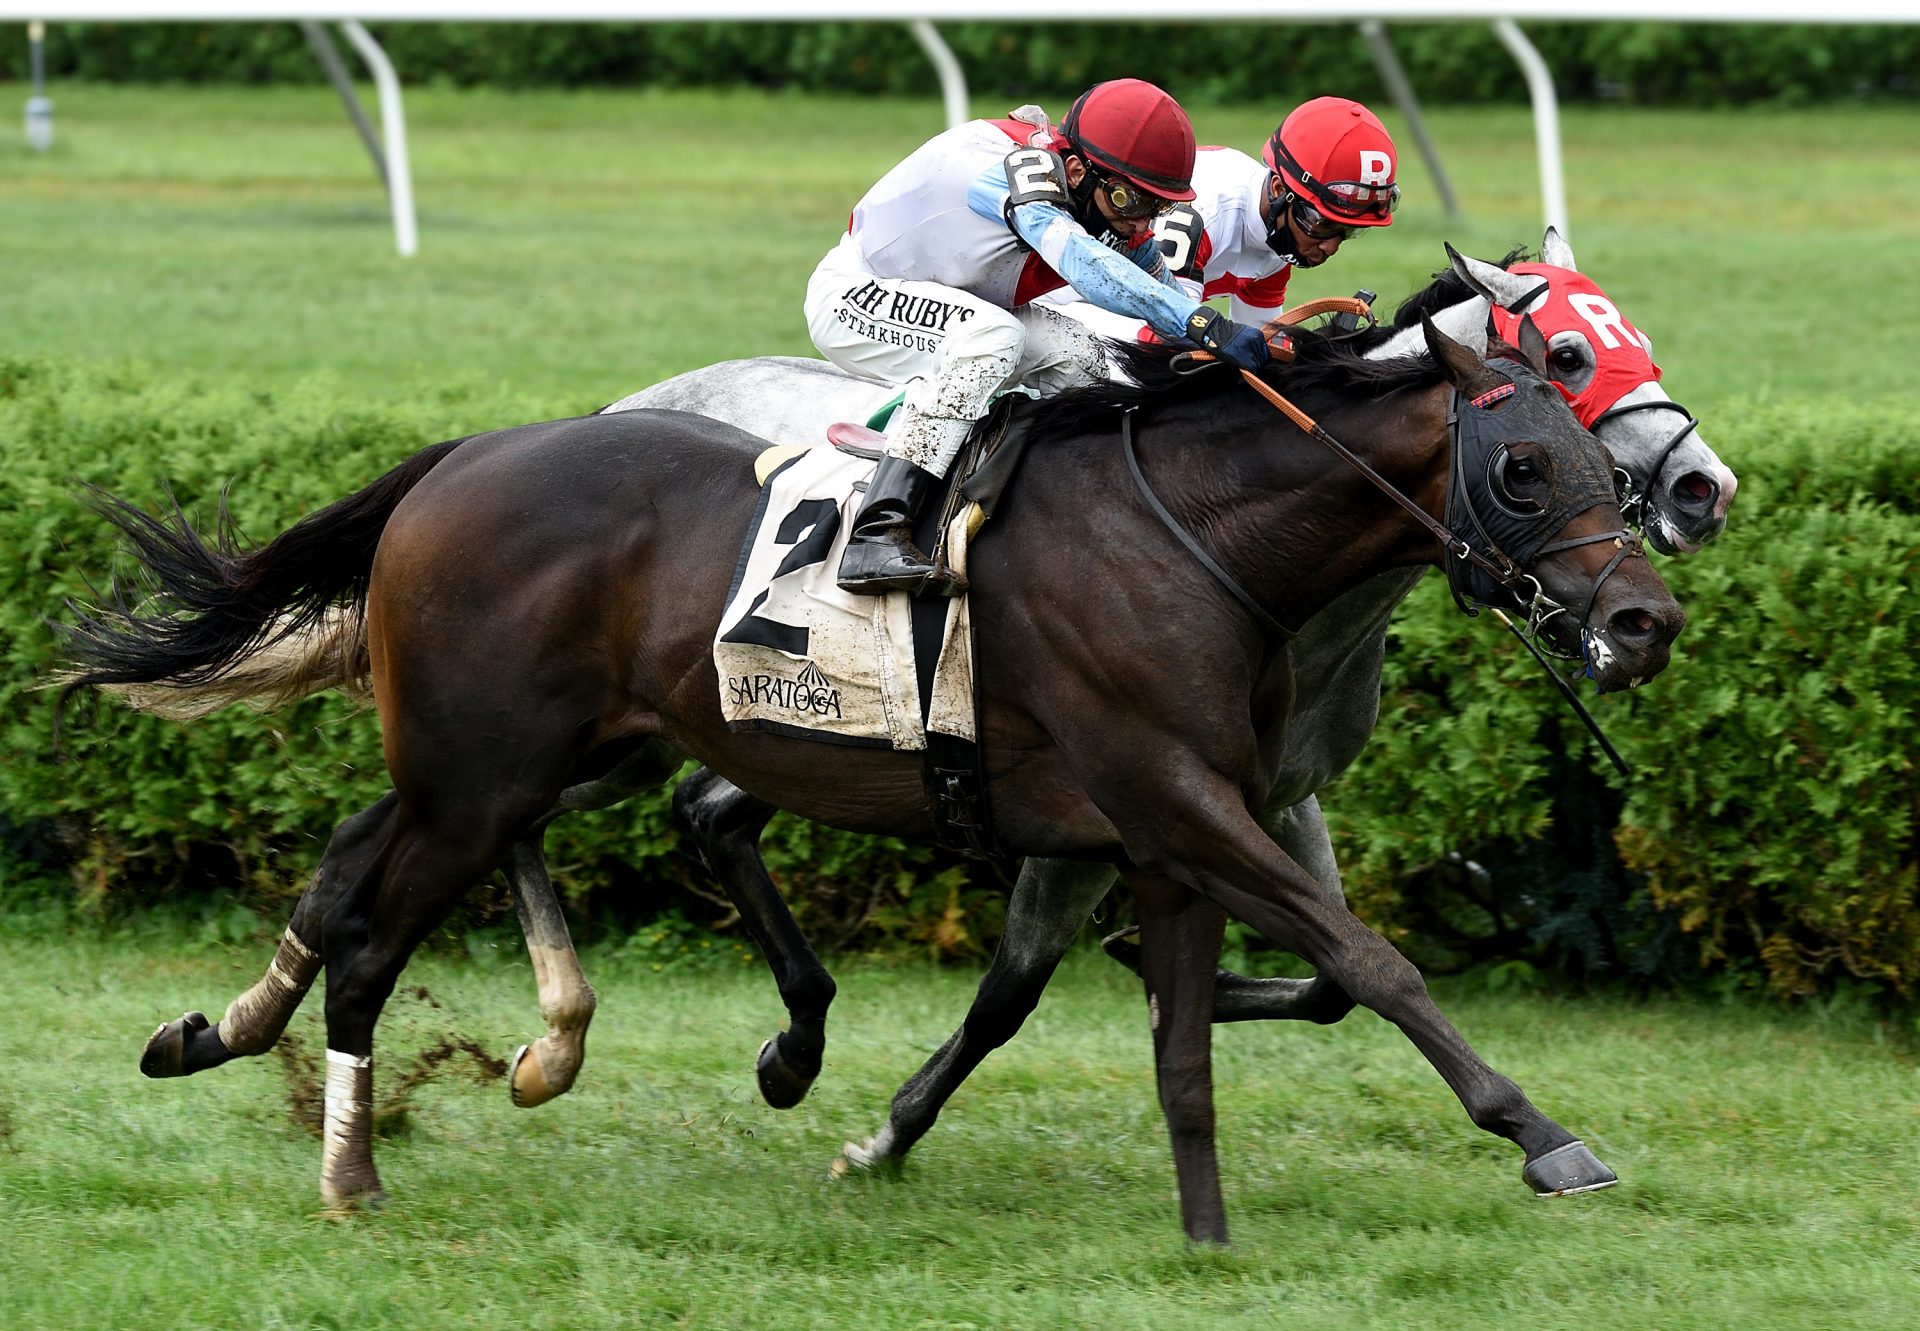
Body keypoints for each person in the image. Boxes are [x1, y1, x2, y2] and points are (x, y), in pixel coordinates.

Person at [805, 78, 1273, 597]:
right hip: (853, 293)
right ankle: (876, 531)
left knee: (1090, 362)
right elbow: (1085, 264)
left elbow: (1156, 286)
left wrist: (1220, 342)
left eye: (1156, 207)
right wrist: (1198, 323)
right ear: (1077, 170)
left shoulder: (1098, 193)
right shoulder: (1012, 175)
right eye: (1130, 199)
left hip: (961, 302)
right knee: (994, 336)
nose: (1142, 220)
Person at [1044, 96, 1400, 341]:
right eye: (1322, 223)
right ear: (1278, 189)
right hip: (1054, 304)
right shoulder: (1207, 215)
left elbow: (1262, 343)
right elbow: (1167, 334)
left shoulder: (1278, 233)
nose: (1330, 246)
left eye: (1347, 231)